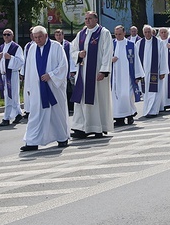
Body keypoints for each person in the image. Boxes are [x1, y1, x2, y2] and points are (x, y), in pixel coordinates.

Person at [21, 26, 70, 151]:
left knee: (56, 112)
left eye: (40, 37)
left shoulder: (56, 47)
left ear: (46, 36)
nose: (37, 40)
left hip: (54, 87)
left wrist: (51, 75)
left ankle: (62, 137)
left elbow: (63, 65)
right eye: (35, 37)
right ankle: (32, 141)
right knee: (36, 114)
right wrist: (30, 87)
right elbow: (30, 69)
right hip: (38, 88)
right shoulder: (32, 48)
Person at [70, 11, 113, 139]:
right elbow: (72, 48)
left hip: (96, 73)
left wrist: (103, 71)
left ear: (96, 19)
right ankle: (81, 127)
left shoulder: (103, 33)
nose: (87, 21)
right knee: (81, 99)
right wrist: (78, 54)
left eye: (90, 18)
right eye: (86, 19)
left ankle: (97, 127)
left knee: (96, 99)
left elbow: (107, 52)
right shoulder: (81, 34)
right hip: (83, 73)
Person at [111, 26, 143, 126]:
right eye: (116, 34)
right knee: (116, 97)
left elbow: (136, 60)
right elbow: (105, 57)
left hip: (128, 76)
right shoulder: (112, 44)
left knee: (127, 96)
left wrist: (138, 76)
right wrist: (110, 60)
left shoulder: (130, 44)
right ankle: (119, 118)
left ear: (124, 33)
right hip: (115, 77)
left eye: (119, 34)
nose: (117, 36)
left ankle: (130, 116)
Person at [136, 25, 168, 117]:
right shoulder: (139, 43)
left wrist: (162, 71)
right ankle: (147, 109)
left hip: (155, 72)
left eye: (148, 32)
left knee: (155, 92)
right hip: (144, 73)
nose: (147, 34)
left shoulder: (159, 42)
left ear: (152, 32)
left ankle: (153, 111)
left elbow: (163, 58)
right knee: (145, 93)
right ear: (143, 33)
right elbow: (137, 59)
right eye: (145, 32)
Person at [0, 29, 24, 126]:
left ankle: (6, 118)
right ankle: (18, 113)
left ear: (12, 36)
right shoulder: (0, 48)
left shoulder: (16, 47)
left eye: (8, 34)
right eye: (4, 34)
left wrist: (11, 58)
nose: (6, 36)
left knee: (10, 95)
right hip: (3, 75)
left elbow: (21, 62)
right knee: (12, 96)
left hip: (12, 74)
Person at [53, 29, 77, 115]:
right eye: (57, 35)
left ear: (63, 35)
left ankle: (70, 106)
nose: (58, 37)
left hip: (67, 70)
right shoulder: (54, 45)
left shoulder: (68, 45)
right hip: (57, 70)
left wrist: (72, 70)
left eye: (60, 35)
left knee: (69, 89)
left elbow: (71, 58)